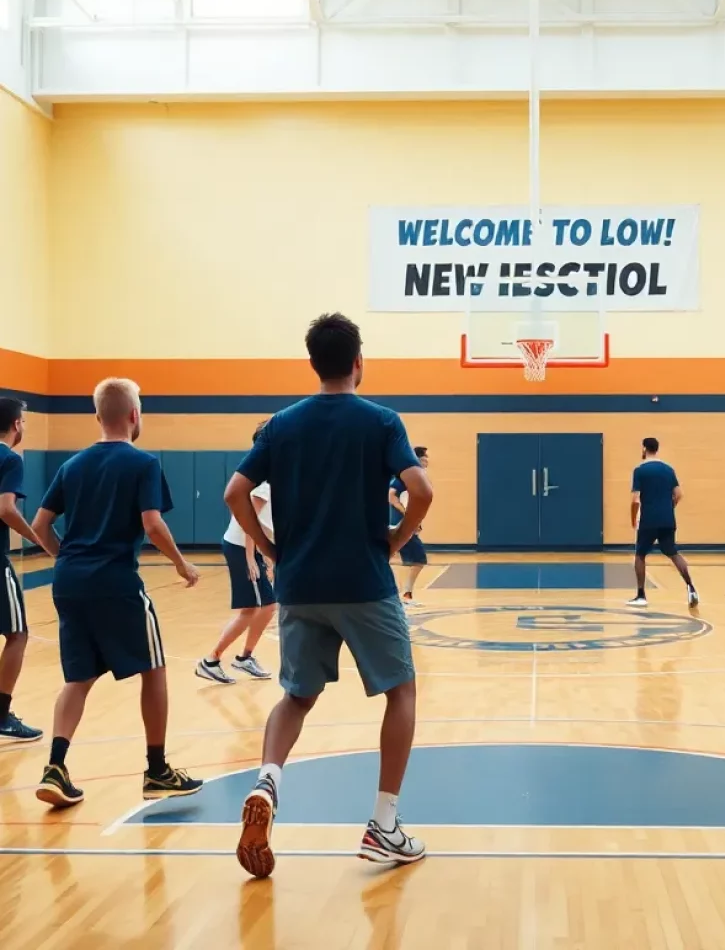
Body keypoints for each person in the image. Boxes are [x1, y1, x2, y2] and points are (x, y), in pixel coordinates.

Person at [226, 313, 433, 879]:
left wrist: (269, 547)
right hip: (363, 582)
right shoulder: (382, 421)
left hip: (300, 584)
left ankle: (268, 779)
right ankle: (383, 826)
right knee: (401, 691)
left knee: (295, 696)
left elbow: (234, 491)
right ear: (359, 362)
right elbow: (421, 489)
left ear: (313, 363)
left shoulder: (281, 425)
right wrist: (396, 539)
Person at [30, 378, 203, 807]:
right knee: (155, 669)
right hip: (116, 582)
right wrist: (181, 562)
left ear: (97, 416)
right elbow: (152, 524)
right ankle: (158, 769)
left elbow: (39, 526)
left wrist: (65, 558)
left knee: (79, 678)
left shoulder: (71, 465)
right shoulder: (143, 464)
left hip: (69, 583)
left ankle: (56, 765)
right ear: (134, 415)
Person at [196, 422, 276, 684]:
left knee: (269, 605)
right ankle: (211, 660)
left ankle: (245, 658)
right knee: (249, 610)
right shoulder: (263, 481)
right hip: (242, 547)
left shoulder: (271, 475)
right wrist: (252, 557)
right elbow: (247, 518)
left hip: (251, 547)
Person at [0, 398, 45, 742]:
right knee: (17, 633)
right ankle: (1, 715)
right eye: (25, 422)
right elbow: (6, 509)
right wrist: (37, 538)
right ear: (16, 424)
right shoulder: (10, 459)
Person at [627, 437, 698, 609]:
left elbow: (636, 500)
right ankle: (691, 588)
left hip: (648, 520)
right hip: (667, 519)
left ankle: (641, 595)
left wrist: (632, 519)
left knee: (640, 555)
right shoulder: (668, 470)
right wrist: (669, 507)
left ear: (644, 449)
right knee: (672, 552)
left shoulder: (640, 470)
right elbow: (679, 494)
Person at [389, 446, 429, 608]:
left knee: (411, 560)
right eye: (425, 457)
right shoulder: (405, 477)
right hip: (402, 526)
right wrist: (408, 517)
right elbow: (391, 495)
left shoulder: (416, 477)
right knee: (418, 560)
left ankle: (403, 595)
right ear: (418, 459)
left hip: (406, 525)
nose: (427, 460)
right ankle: (404, 596)